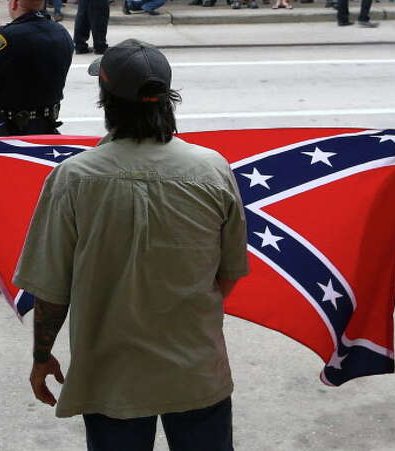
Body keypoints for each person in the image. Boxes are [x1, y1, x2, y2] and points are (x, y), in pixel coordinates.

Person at [14, 40, 247, 449]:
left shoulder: (73, 178)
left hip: (110, 378)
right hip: (195, 370)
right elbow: (227, 274)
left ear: (105, 100)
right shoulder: (212, 169)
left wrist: (41, 356)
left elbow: (51, 290)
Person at [0, 0, 74, 293]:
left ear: (14, 2)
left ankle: (5, 271)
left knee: (5, 203)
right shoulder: (61, 34)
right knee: (39, 200)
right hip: (46, 131)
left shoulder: (7, 37)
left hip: (10, 132)